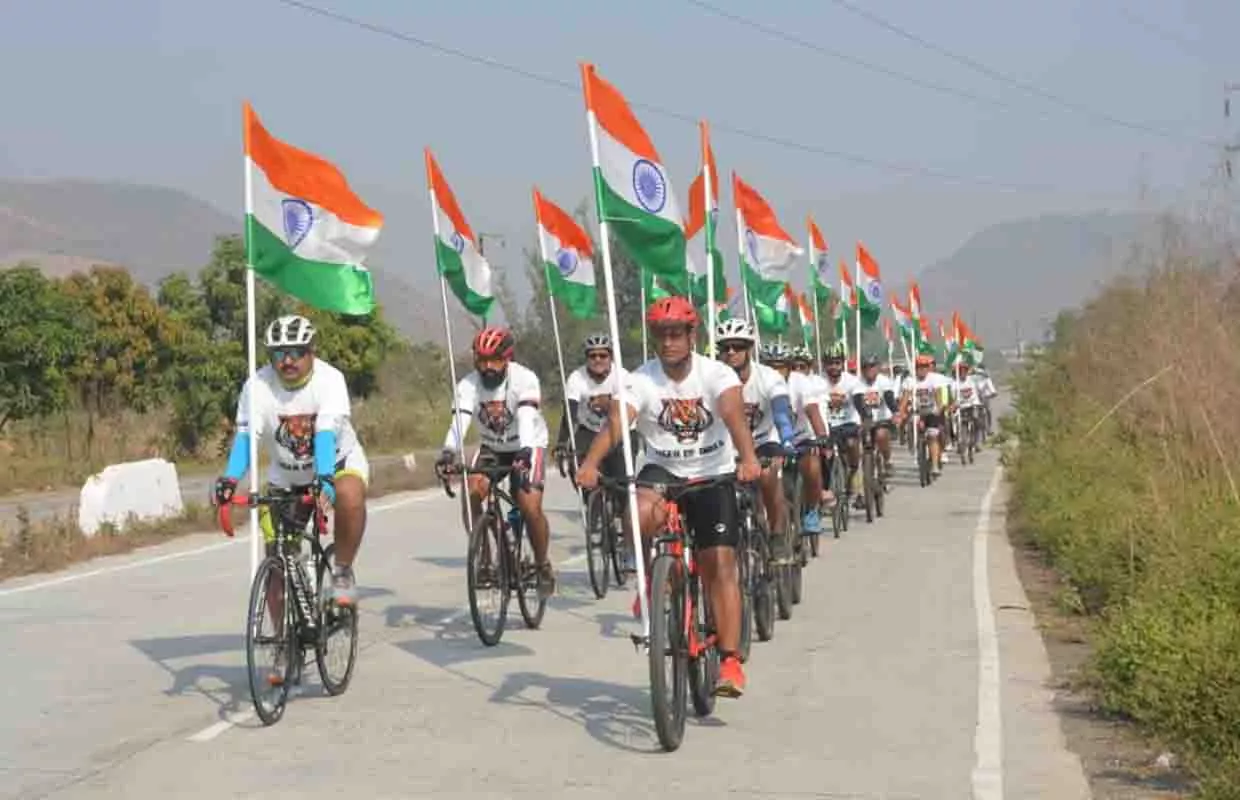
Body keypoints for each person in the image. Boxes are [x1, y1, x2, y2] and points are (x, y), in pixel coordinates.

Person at [576, 296, 761, 698]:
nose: (669, 342)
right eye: (661, 334)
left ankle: (729, 661)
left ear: (692, 336)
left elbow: (732, 415)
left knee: (719, 563)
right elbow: (615, 425)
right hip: (662, 470)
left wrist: (748, 458)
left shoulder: (717, 375)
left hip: (712, 473)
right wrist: (590, 463)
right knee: (638, 513)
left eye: (677, 333)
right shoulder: (640, 379)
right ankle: (651, 583)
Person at [214, 314, 370, 608]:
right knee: (277, 562)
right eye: (279, 354)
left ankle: (342, 572)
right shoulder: (257, 385)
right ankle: (282, 650)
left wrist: (325, 480)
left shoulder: (330, 379)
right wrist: (231, 478)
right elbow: (247, 437)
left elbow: (324, 433)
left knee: (350, 494)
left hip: (336, 463)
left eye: (297, 352)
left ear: (312, 352)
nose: (288, 361)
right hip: (286, 476)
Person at [434, 326, 556, 599]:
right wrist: (448, 452)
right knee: (473, 490)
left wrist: (524, 451)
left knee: (528, 503)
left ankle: (542, 563)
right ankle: (486, 559)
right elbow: (460, 420)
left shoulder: (524, 379)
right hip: (493, 447)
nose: (488, 367)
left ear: (507, 358)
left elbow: (525, 417)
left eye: (495, 360)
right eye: (482, 360)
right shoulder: (468, 385)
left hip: (529, 444)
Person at [714, 318, 800, 547]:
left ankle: (779, 535)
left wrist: (788, 440)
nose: (731, 352)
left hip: (764, 442)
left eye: (738, 346)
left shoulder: (768, 377)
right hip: (728, 448)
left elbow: (781, 411)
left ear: (749, 348)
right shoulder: (712, 379)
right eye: (725, 347)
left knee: (767, 475)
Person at [820, 344, 867, 509]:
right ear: (824, 364)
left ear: (843, 364)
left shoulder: (852, 381)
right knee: (824, 455)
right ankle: (828, 491)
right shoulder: (818, 382)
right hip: (827, 425)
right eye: (830, 363)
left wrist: (865, 415)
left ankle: (855, 472)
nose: (833, 367)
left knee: (852, 445)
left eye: (837, 363)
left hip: (848, 423)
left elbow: (859, 402)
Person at [903, 353, 954, 477]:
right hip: (918, 411)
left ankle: (935, 466)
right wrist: (901, 412)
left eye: (925, 366)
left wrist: (939, 407)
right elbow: (905, 397)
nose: (922, 369)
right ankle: (915, 450)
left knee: (932, 436)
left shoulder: (934, 378)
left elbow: (937, 393)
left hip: (932, 411)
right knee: (911, 426)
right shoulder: (910, 380)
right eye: (919, 366)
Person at [856, 354, 901, 479]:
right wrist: (863, 417)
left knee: (881, 435)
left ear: (877, 367)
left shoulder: (884, 381)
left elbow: (889, 398)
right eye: (865, 367)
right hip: (864, 421)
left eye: (872, 366)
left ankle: (887, 459)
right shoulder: (858, 382)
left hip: (882, 419)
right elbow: (857, 400)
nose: (868, 370)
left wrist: (896, 412)